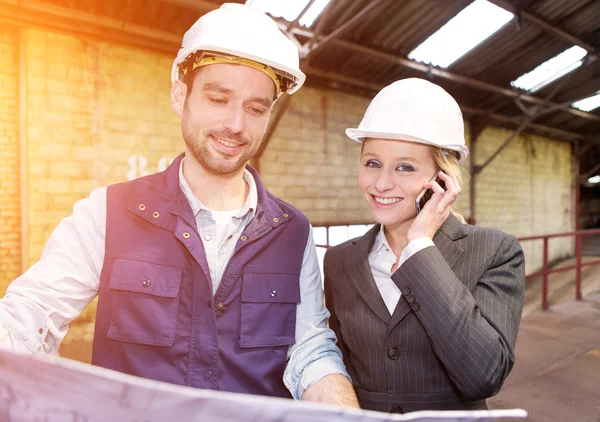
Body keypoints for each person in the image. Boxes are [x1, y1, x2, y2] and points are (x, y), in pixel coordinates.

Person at [0, 3, 358, 407]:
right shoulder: (108, 212)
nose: (236, 125)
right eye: (218, 98)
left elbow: (309, 351)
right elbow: (31, 315)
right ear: (179, 95)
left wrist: (345, 414)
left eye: (256, 108)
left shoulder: (293, 232)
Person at [323, 78, 525, 413]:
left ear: (441, 178)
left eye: (405, 167)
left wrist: (419, 248)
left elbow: (485, 375)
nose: (382, 183)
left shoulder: (495, 251)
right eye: (372, 163)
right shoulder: (339, 261)